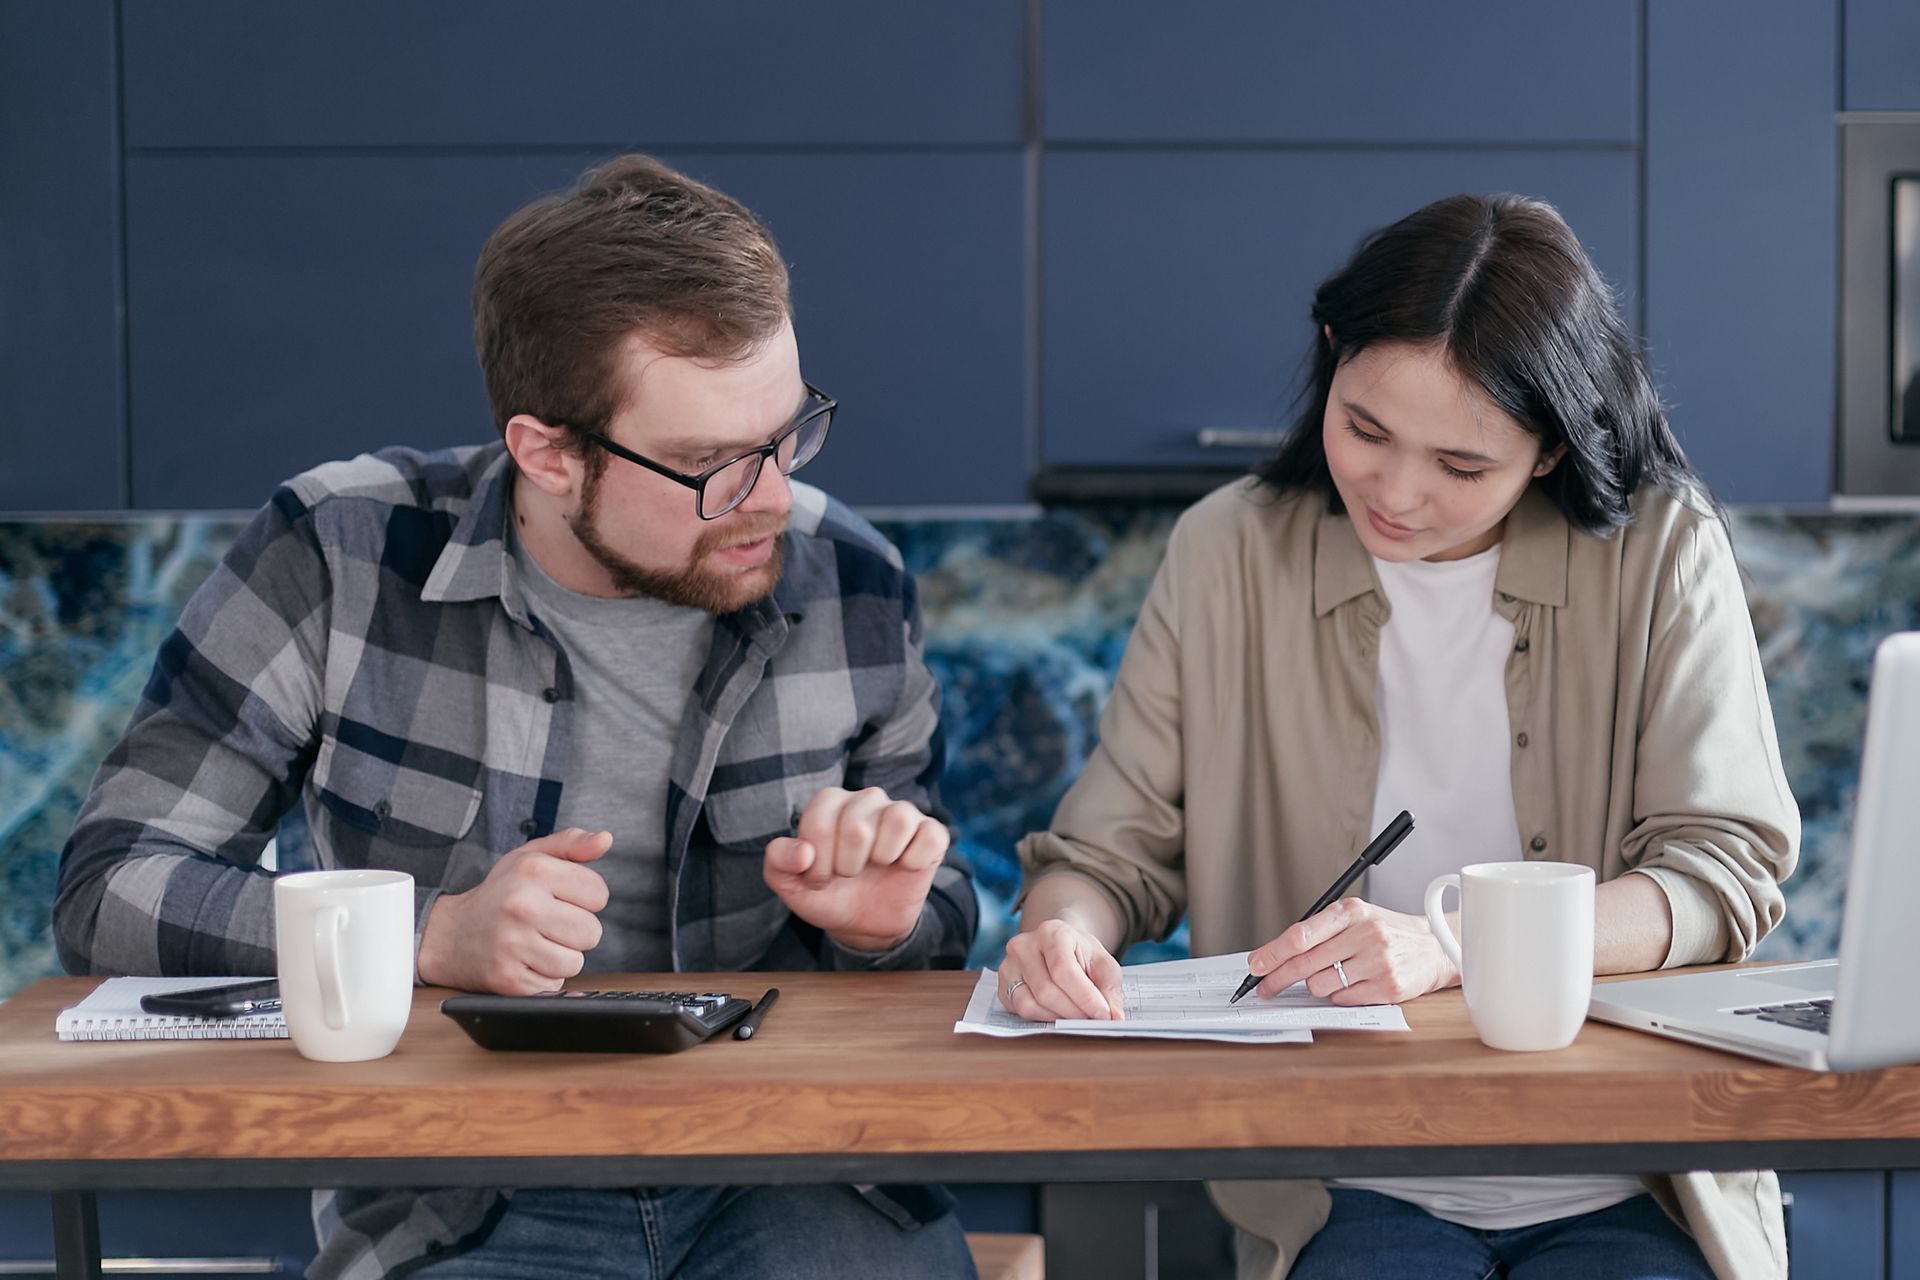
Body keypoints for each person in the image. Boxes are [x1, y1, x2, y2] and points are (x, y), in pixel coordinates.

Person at [53, 154, 981, 1280]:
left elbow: (938, 914)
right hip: (463, 1191)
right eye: (712, 464)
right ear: (547, 450)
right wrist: (427, 940)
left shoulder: (855, 581)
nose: (777, 495)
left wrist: (891, 919)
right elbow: (112, 886)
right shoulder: (336, 554)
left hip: (797, 1167)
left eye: (789, 434)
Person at [1004, 194, 1799, 1280]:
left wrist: (1459, 944)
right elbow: (1110, 851)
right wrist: (1062, 934)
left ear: (1552, 449)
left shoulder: (1663, 551)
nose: (1397, 492)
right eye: (1364, 427)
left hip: (1632, 1165)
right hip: (1350, 1174)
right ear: (1330, 354)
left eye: (1462, 468)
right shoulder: (1228, 550)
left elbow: (1724, 872)